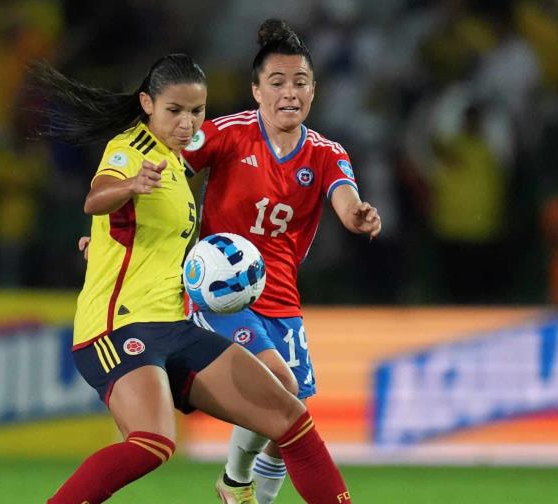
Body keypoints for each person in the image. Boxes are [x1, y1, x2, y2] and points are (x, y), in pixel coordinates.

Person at [35, 55, 352, 504]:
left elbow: (139, 233)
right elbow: (97, 197)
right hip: (118, 325)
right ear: (147, 103)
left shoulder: (174, 164)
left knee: (291, 417)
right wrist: (125, 188)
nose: (187, 123)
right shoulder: (131, 150)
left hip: (175, 324)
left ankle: (242, 486)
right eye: (175, 111)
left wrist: (102, 241)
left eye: (197, 112)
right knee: (153, 442)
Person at [180, 20, 381, 504]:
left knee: (288, 413)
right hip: (221, 292)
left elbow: (345, 199)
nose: (289, 93)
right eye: (277, 83)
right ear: (256, 90)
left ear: (314, 90)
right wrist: (119, 229)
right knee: (282, 386)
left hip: (282, 298)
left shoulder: (328, 154)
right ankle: (233, 480)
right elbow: (167, 170)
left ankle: (246, 493)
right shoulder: (226, 135)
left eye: (299, 83)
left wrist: (358, 215)